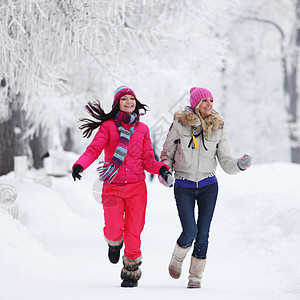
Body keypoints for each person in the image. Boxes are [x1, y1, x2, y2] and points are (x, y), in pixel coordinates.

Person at [72, 86, 173, 288]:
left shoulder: (142, 129)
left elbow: (147, 160)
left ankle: (131, 272)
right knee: (113, 229)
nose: (129, 102)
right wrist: (79, 164)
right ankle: (114, 243)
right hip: (112, 187)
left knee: (134, 231)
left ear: (136, 102)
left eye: (132, 99)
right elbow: (94, 149)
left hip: (137, 188)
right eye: (124, 99)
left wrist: (161, 169)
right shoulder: (108, 126)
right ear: (117, 103)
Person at [160, 87, 252, 288]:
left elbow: (226, 160)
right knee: (190, 231)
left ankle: (195, 277)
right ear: (195, 104)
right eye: (204, 101)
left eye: (211, 100)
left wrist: (239, 164)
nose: (209, 105)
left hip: (208, 185)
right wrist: (164, 172)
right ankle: (177, 258)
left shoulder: (218, 127)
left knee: (203, 234)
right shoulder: (180, 124)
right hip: (183, 185)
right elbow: (167, 154)